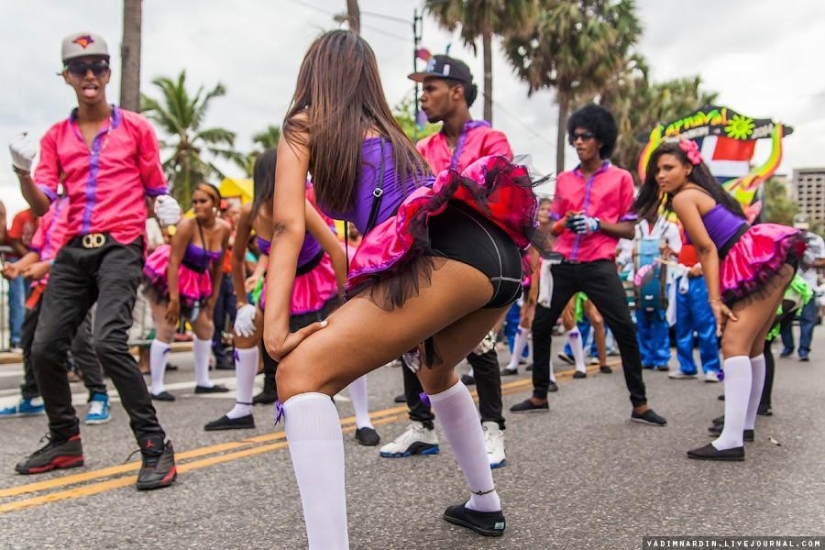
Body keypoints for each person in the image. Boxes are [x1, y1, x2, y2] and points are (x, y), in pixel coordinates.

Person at [264, 31, 539, 547]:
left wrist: (275, 334)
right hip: (498, 259)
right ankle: (485, 505)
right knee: (433, 370)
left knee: (298, 373)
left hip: (448, 256)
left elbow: (286, 226)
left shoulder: (304, 123)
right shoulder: (393, 134)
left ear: (313, 74)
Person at [8, 31, 179, 488]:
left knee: (107, 342)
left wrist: (166, 208)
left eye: (98, 66)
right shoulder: (56, 137)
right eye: (79, 67)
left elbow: (156, 189)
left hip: (121, 245)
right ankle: (65, 439)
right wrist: (22, 174)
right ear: (66, 76)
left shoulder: (137, 128)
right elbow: (42, 204)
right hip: (72, 249)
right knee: (44, 346)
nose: (90, 74)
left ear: (108, 73)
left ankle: (155, 445)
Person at [373, 54, 512, 468]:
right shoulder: (423, 148)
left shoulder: (492, 140)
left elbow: (500, 195)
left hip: (478, 257)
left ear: (457, 92)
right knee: (409, 337)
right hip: (429, 255)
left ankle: (493, 429)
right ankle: (421, 427)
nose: (423, 97)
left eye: (430, 88)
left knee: (480, 344)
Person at [632, 140, 805, 461]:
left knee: (734, 344)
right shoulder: (702, 191)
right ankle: (743, 426)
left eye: (668, 168)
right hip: (768, 256)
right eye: (657, 170)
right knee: (752, 347)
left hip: (755, 259)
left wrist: (715, 299)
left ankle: (731, 440)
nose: (660, 175)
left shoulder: (684, 197)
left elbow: (707, 248)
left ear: (688, 168)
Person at [204, 150, 380, 447]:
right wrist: (241, 302)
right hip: (283, 280)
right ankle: (242, 409)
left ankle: (363, 419)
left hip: (319, 276)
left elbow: (336, 251)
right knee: (245, 331)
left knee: (346, 340)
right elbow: (237, 260)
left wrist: (346, 300)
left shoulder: (298, 203)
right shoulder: (249, 212)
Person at [512, 104, 667, 427]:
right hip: (564, 262)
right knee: (541, 326)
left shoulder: (621, 178)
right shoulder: (564, 180)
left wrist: (598, 224)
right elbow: (553, 228)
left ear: (602, 140)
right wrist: (563, 223)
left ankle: (640, 405)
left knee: (624, 328)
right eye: (575, 137)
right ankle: (539, 395)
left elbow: (629, 229)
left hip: (599, 263)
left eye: (586, 136)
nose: (578, 142)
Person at [0, 194, 110, 423]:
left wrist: (48, 266)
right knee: (30, 340)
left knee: (80, 341)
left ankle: (98, 394)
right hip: (42, 286)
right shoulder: (49, 210)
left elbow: (84, 251)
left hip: (73, 285)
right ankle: (31, 395)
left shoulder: (83, 204)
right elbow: (38, 249)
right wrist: (17, 267)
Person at [143, 182, 231, 401]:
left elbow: (218, 266)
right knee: (167, 327)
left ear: (215, 203)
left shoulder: (224, 228)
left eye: (203, 201)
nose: (198, 206)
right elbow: (173, 263)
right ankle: (156, 387)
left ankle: (203, 381)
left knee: (205, 328)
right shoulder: (187, 226)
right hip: (168, 276)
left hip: (198, 280)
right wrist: (174, 300)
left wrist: (213, 298)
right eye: (195, 202)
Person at [667, 234, 721, 382]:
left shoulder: (706, 226)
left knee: (705, 325)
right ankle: (686, 366)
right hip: (682, 276)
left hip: (701, 279)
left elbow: (715, 248)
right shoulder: (680, 228)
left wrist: (701, 266)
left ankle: (712, 368)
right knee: (682, 325)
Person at [779, 232, 825, 361]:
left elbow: (823, 260)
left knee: (808, 320)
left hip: (808, 287)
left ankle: (804, 351)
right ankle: (788, 347)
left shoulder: (816, 240)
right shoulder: (785, 237)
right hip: (788, 287)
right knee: (784, 319)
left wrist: (806, 260)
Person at [5, 207, 38, 352]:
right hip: (18, 260)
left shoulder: (48, 217)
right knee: (18, 300)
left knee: (32, 300)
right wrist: (27, 259)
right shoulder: (22, 216)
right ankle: (17, 340)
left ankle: (27, 340)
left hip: (35, 264)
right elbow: (12, 238)